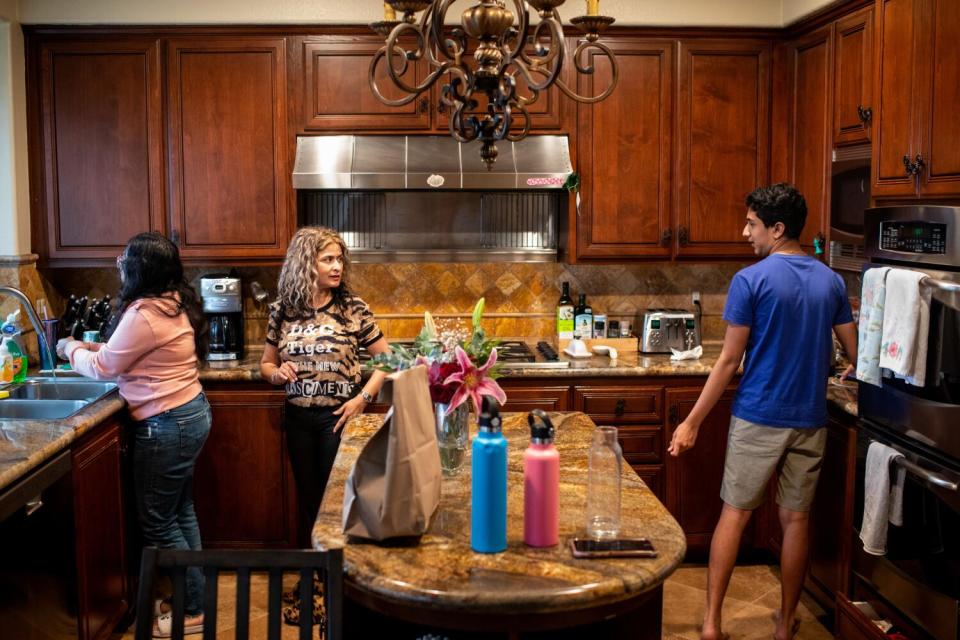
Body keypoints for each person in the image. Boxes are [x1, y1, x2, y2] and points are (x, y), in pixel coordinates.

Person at [666, 184, 858, 640]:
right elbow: (855, 353)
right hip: (809, 419)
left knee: (734, 514)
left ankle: (712, 623)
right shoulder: (830, 281)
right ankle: (785, 623)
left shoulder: (750, 281)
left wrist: (691, 422)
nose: (745, 231)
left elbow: (729, 362)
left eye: (752, 223)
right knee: (796, 521)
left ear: (777, 228)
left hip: (758, 416)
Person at [57, 232, 212, 637]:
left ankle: (194, 611)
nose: (119, 262)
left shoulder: (144, 313)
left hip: (168, 423)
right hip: (189, 413)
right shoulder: (172, 302)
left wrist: (69, 347)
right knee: (181, 512)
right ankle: (196, 598)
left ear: (139, 268)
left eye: (125, 257)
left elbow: (106, 365)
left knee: (159, 521)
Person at [260, 226, 390, 546]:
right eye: (328, 259)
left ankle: (340, 579)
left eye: (340, 260)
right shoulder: (282, 311)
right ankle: (317, 580)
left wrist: (363, 398)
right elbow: (266, 364)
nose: (337, 267)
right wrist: (277, 375)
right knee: (310, 501)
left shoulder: (352, 308)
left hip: (339, 418)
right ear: (307, 264)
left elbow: (389, 360)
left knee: (339, 503)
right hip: (298, 418)